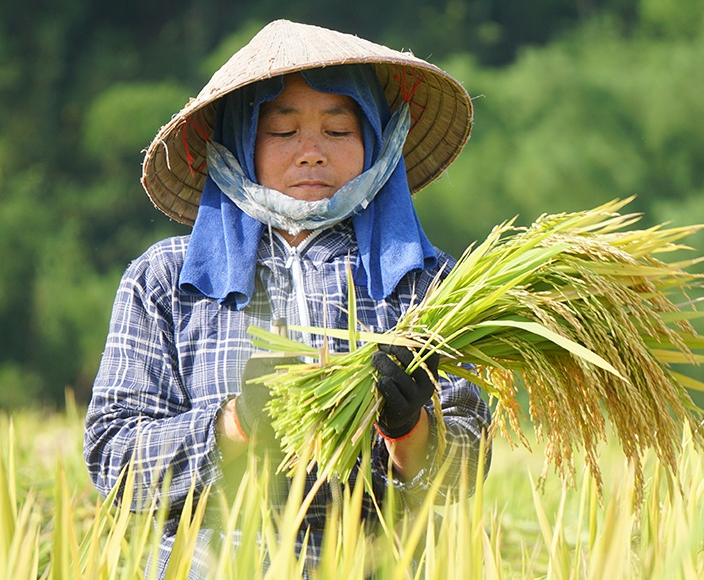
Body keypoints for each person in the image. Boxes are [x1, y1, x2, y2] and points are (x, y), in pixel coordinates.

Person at [82, 19, 492, 578]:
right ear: (240, 143)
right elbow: (112, 458)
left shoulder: (427, 283)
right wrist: (234, 425)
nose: (312, 153)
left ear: (375, 140)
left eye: (339, 130)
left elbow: (467, 462)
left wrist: (408, 428)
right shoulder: (166, 281)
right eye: (282, 132)